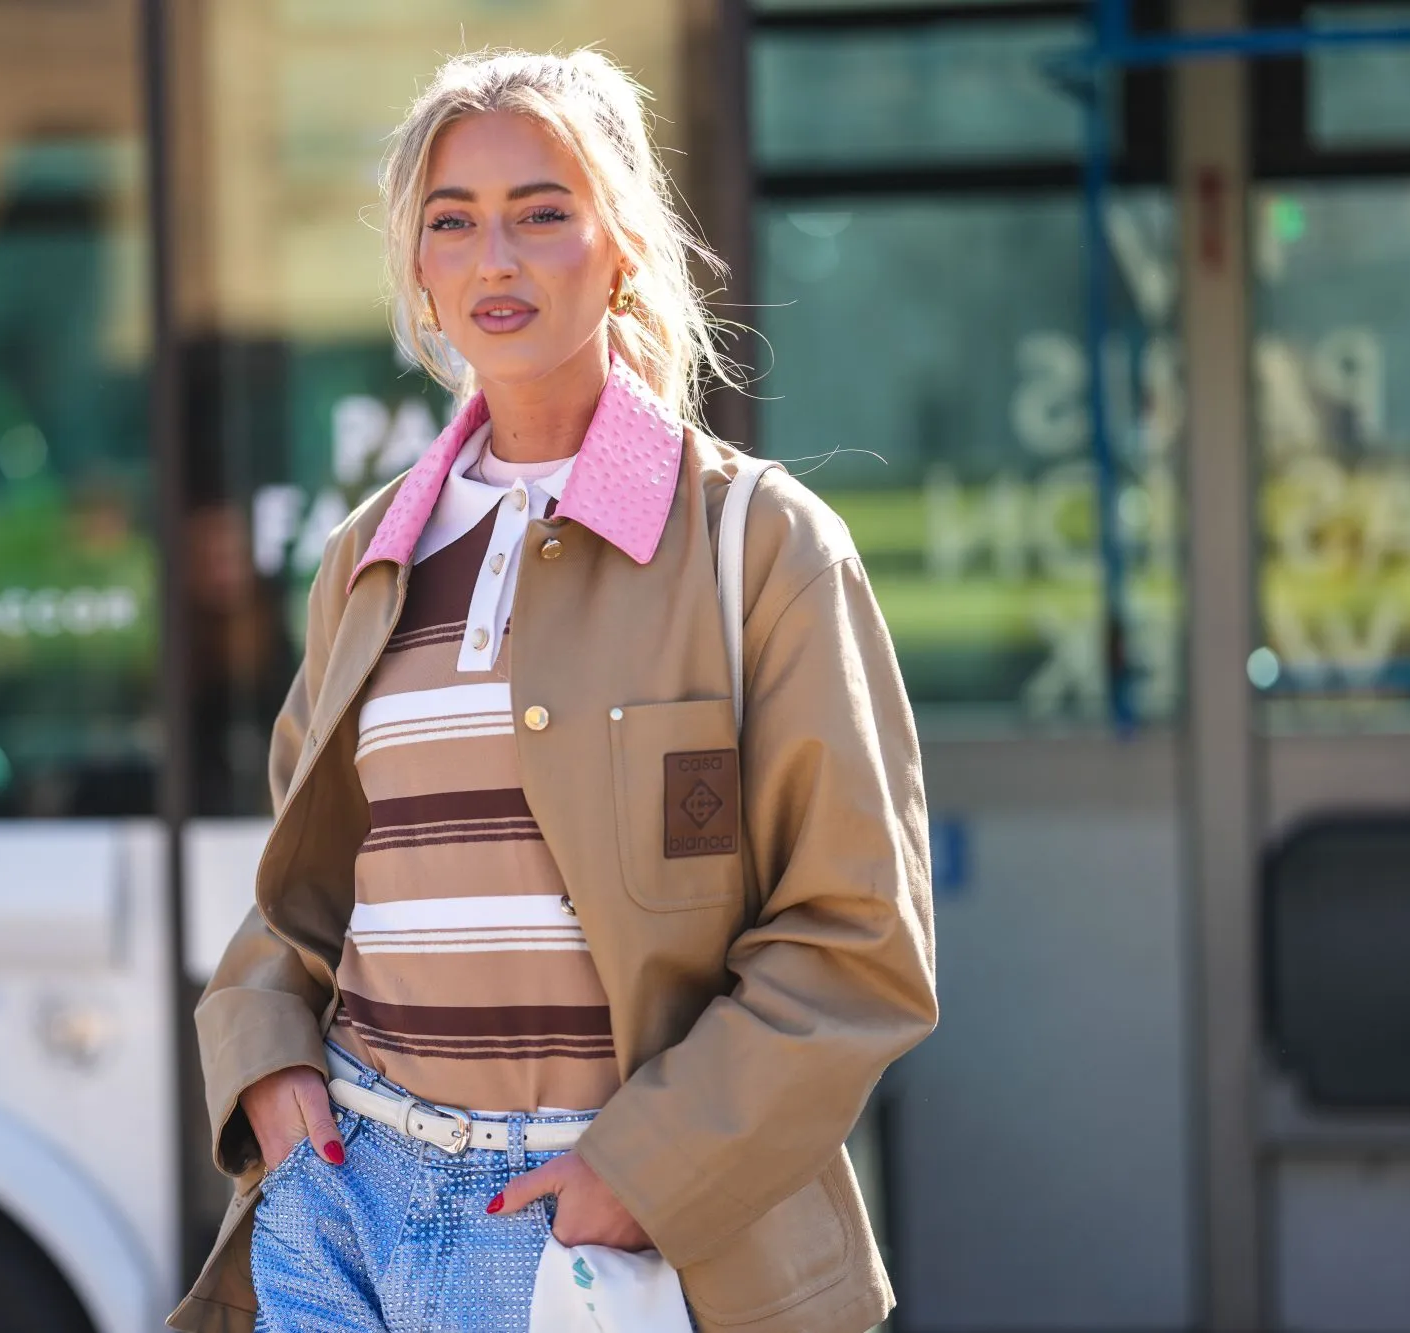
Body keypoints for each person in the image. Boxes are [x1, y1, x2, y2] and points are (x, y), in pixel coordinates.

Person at [169, 48, 938, 1333]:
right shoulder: (368, 557)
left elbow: (858, 943)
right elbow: (299, 899)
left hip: (585, 1226)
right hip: (341, 1195)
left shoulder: (761, 546)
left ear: (620, 244)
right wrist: (266, 1072)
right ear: (416, 268)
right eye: (451, 222)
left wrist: (638, 1175)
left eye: (541, 212)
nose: (494, 259)